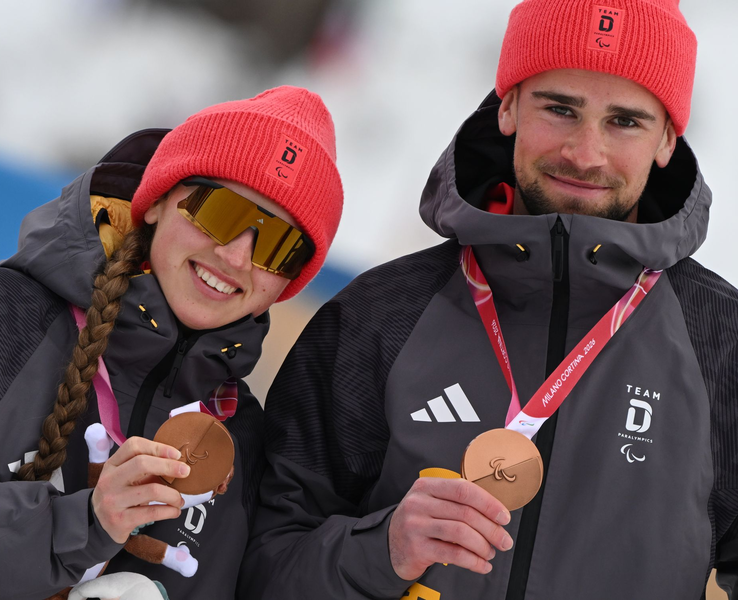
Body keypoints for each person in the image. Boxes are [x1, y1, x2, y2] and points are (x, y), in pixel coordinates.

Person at [239, 2, 738, 599]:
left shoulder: (721, 338)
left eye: (624, 122)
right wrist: (379, 551)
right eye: (560, 109)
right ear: (507, 106)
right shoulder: (378, 316)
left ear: (667, 139)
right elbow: (262, 568)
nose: (585, 153)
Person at [0, 85, 343, 599]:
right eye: (222, 214)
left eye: (278, 246)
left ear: (287, 283)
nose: (238, 257)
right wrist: (77, 527)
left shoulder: (248, 442)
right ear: (158, 202)